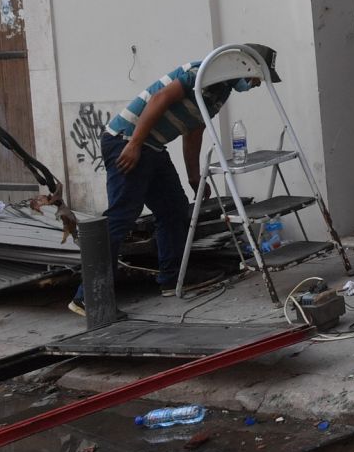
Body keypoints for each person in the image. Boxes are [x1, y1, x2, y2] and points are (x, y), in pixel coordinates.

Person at [69, 49, 277, 316]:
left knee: (174, 208)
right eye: (257, 77)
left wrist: (193, 175)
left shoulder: (221, 91)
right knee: (121, 218)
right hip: (126, 141)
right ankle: (89, 298)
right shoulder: (198, 72)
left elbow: (194, 130)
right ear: (243, 68)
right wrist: (134, 144)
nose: (258, 83)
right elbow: (160, 99)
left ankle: (172, 278)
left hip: (152, 147)